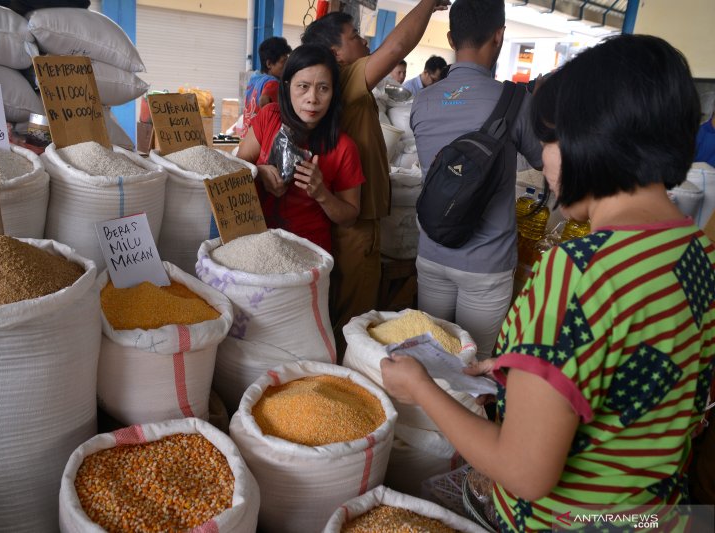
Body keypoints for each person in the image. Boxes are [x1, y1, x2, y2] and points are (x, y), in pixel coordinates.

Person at [382, 34, 713, 531]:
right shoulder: (695, 249)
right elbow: (626, 371)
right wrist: (524, 370)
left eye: (551, 141)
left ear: (594, 138)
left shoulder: (578, 271)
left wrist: (422, 389)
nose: (544, 159)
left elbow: (524, 473)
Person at [301, 0, 449, 352]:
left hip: (351, 221)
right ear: (336, 54)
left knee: (344, 315)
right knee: (352, 323)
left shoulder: (340, 86)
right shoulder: (346, 78)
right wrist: (427, 4)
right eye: (355, 36)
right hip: (354, 225)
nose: (365, 41)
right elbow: (396, 47)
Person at [409, 0, 542, 360]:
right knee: (476, 365)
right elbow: (545, 161)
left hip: (433, 250)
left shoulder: (422, 102)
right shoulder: (516, 102)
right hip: (487, 262)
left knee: (432, 357)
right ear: (499, 36)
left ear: (451, 38)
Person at [236, 44, 365, 253]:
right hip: (253, 244)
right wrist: (259, 173)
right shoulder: (269, 116)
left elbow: (350, 218)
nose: (312, 98)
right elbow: (236, 169)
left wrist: (321, 193)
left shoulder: (344, 148)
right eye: (303, 86)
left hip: (307, 256)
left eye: (323, 88)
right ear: (287, 86)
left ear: (334, 93)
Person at [239, 36, 292, 138]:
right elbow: (263, 101)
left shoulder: (255, 78)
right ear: (269, 64)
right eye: (283, 61)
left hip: (247, 136)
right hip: (261, 138)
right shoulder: (272, 83)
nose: (287, 65)